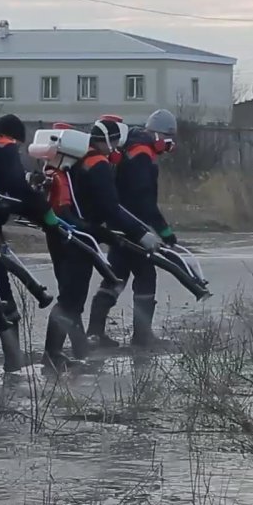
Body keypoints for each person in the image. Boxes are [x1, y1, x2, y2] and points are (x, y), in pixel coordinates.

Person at [43, 119, 158, 372]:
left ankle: (78, 349)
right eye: (115, 143)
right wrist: (140, 233)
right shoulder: (97, 164)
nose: (116, 148)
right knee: (71, 299)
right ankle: (52, 355)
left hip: (61, 233)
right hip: (81, 237)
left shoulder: (75, 159)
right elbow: (111, 208)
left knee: (69, 295)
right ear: (109, 141)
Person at [0, 114, 63, 371]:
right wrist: (44, 212)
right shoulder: (5, 146)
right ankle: (14, 361)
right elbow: (14, 188)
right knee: (2, 296)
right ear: (15, 137)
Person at [87, 109, 179, 349]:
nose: (169, 147)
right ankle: (142, 337)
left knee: (115, 277)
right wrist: (163, 231)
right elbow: (143, 200)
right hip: (135, 228)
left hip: (120, 225)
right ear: (159, 135)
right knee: (146, 278)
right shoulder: (142, 155)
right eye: (169, 140)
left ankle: (94, 333)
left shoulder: (130, 149)